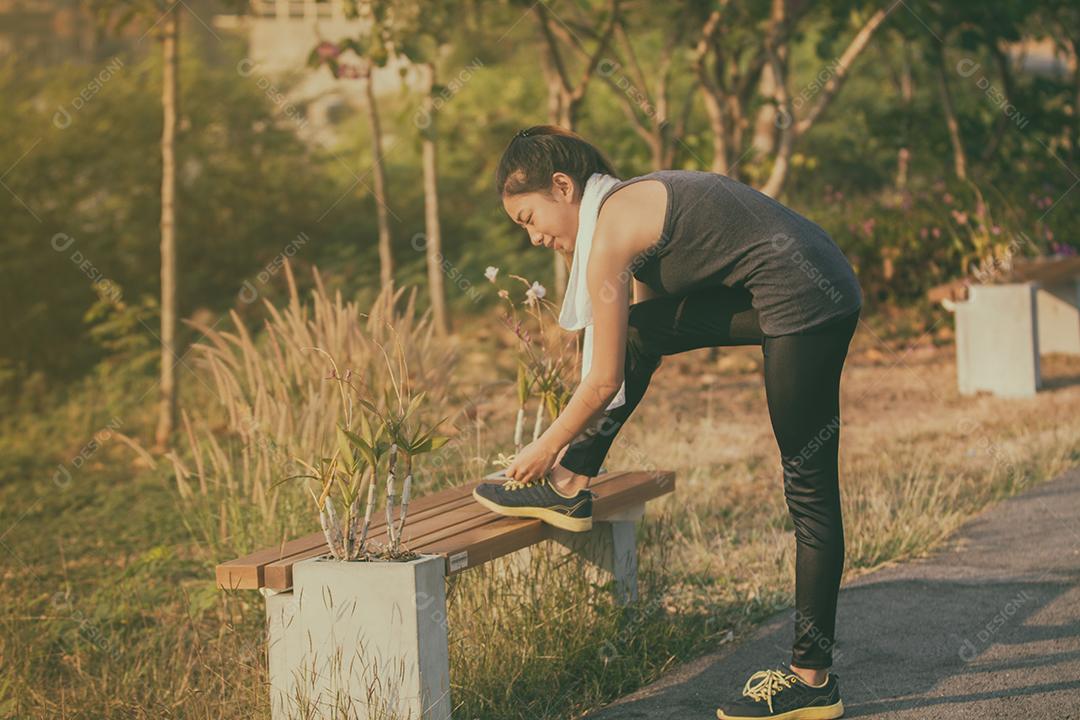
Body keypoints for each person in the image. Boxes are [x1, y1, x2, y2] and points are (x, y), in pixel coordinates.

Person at [472, 125, 860, 720]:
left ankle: (812, 681)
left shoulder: (612, 230)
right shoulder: (624, 209)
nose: (534, 237)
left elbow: (603, 381)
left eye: (529, 218)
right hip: (793, 282)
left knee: (808, 489)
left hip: (808, 298)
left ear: (562, 187)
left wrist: (543, 448)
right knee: (638, 334)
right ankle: (569, 485)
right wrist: (568, 451)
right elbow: (637, 339)